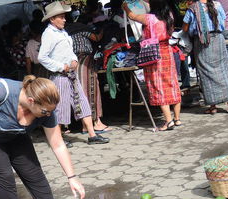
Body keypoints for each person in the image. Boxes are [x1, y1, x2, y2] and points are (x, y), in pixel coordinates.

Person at [38, 1, 109, 145]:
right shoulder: (49, 34)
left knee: (82, 102)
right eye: (61, 17)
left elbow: (69, 50)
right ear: (52, 19)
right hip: (60, 76)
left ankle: (92, 134)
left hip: (71, 74)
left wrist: (74, 60)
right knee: (60, 107)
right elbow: (42, 57)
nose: (65, 19)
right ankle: (58, 139)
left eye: (64, 16)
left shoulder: (62, 31)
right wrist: (60, 66)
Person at [124, 0, 182, 130]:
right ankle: (177, 118)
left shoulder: (149, 18)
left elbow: (132, 16)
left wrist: (126, 7)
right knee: (172, 83)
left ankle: (168, 121)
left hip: (154, 53)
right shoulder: (170, 17)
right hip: (167, 50)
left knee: (158, 85)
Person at [183, 0, 228, 115]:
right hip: (218, 39)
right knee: (223, 70)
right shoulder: (217, 5)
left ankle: (213, 106)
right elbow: (224, 22)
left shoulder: (192, 8)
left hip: (202, 42)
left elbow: (185, 28)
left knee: (206, 73)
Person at [65, 14, 111, 134]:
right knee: (91, 89)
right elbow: (96, 38)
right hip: (84, 60)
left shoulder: (64, 32)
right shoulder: (81, 27)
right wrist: (103, 29)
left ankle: (85, 125)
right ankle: (96, 123)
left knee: (79, 92)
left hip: (72, 63)